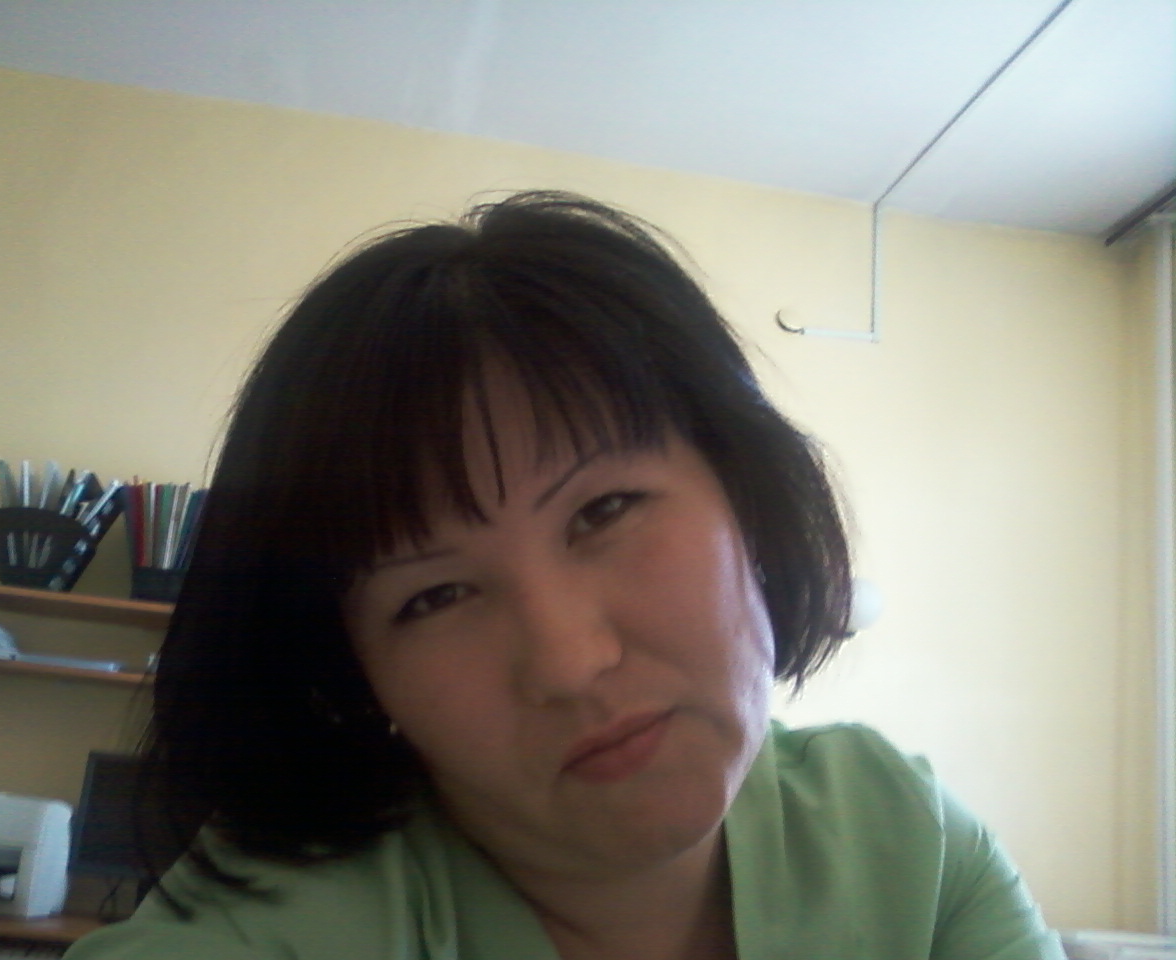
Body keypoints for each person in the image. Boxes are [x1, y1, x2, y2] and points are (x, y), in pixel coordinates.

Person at [66, 191, 1065, 960]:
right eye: (434, 596)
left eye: (605, 511)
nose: (568, 661)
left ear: (745, 494)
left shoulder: (907, 847)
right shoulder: (276, 924)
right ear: (357, 675)